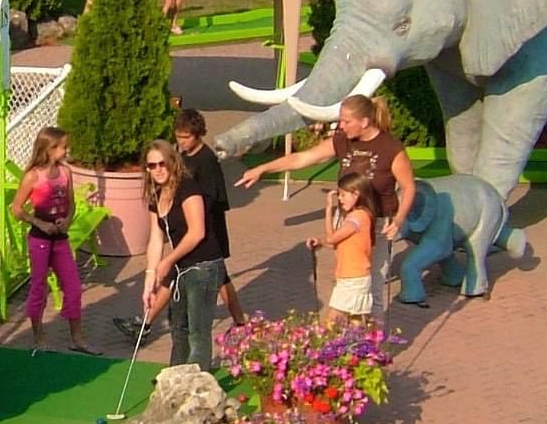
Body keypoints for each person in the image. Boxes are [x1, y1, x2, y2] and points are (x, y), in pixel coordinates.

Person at [237, 93, 417, 241]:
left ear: (364, 122)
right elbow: (302, 158)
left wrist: (399, 219)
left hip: (378, 222)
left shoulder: (391, 148)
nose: (341, 126)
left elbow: (408, 187)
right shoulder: (342, 140)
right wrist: (262, 169)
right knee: (346, 269)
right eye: (340, 121)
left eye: (347, 122)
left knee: (372, 273)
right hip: (346, 217)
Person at [142, 139, 224, 371]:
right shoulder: (156, 195)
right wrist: (149, 280)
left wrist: (168, 260)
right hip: (182, 268)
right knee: (179, 329)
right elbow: (156, 238)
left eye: (162, 163)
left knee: (197, 331)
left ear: (172, 162)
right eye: (152, 165)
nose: (158, 169)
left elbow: (197, 232)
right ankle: (174, 377)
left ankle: (195, 381)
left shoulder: (188, 188)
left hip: (204, 266)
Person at [11, 126, 94, 356]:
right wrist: (38, 222)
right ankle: (39, 336)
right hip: (40, 239)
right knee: (39, 287)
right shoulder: (33, 176)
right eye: (62, 147)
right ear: (49, 149)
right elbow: (16, 209)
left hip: (60, 238)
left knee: (73, 288)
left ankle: (77, 337)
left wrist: (67, 220)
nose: (66, 151)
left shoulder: (66, 172)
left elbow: (71, 204)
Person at [173, 108, 245, 327]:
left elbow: (211, 198)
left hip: (208, 228)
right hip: (193, 226)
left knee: (218, 276)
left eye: (186, 137)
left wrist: (193, 219)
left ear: (198, 134)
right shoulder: (184, 155)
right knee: (220, 278)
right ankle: (240, 321)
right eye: (178, 136)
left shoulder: (207, 160)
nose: (181, 142)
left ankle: (240, 321)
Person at [313, 173, 385, 326]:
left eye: (343, 195)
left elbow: (332, 238)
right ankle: (362, 340)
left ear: (356, 194)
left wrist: (328, 209)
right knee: (355, 320)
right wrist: (320, 242)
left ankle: (321, 341)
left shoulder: (356, 217)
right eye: (339, 195)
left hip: (352, 278)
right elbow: (340, 243)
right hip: (353, 276)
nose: (340, 199)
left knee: (331, 320)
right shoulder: (359, 215)